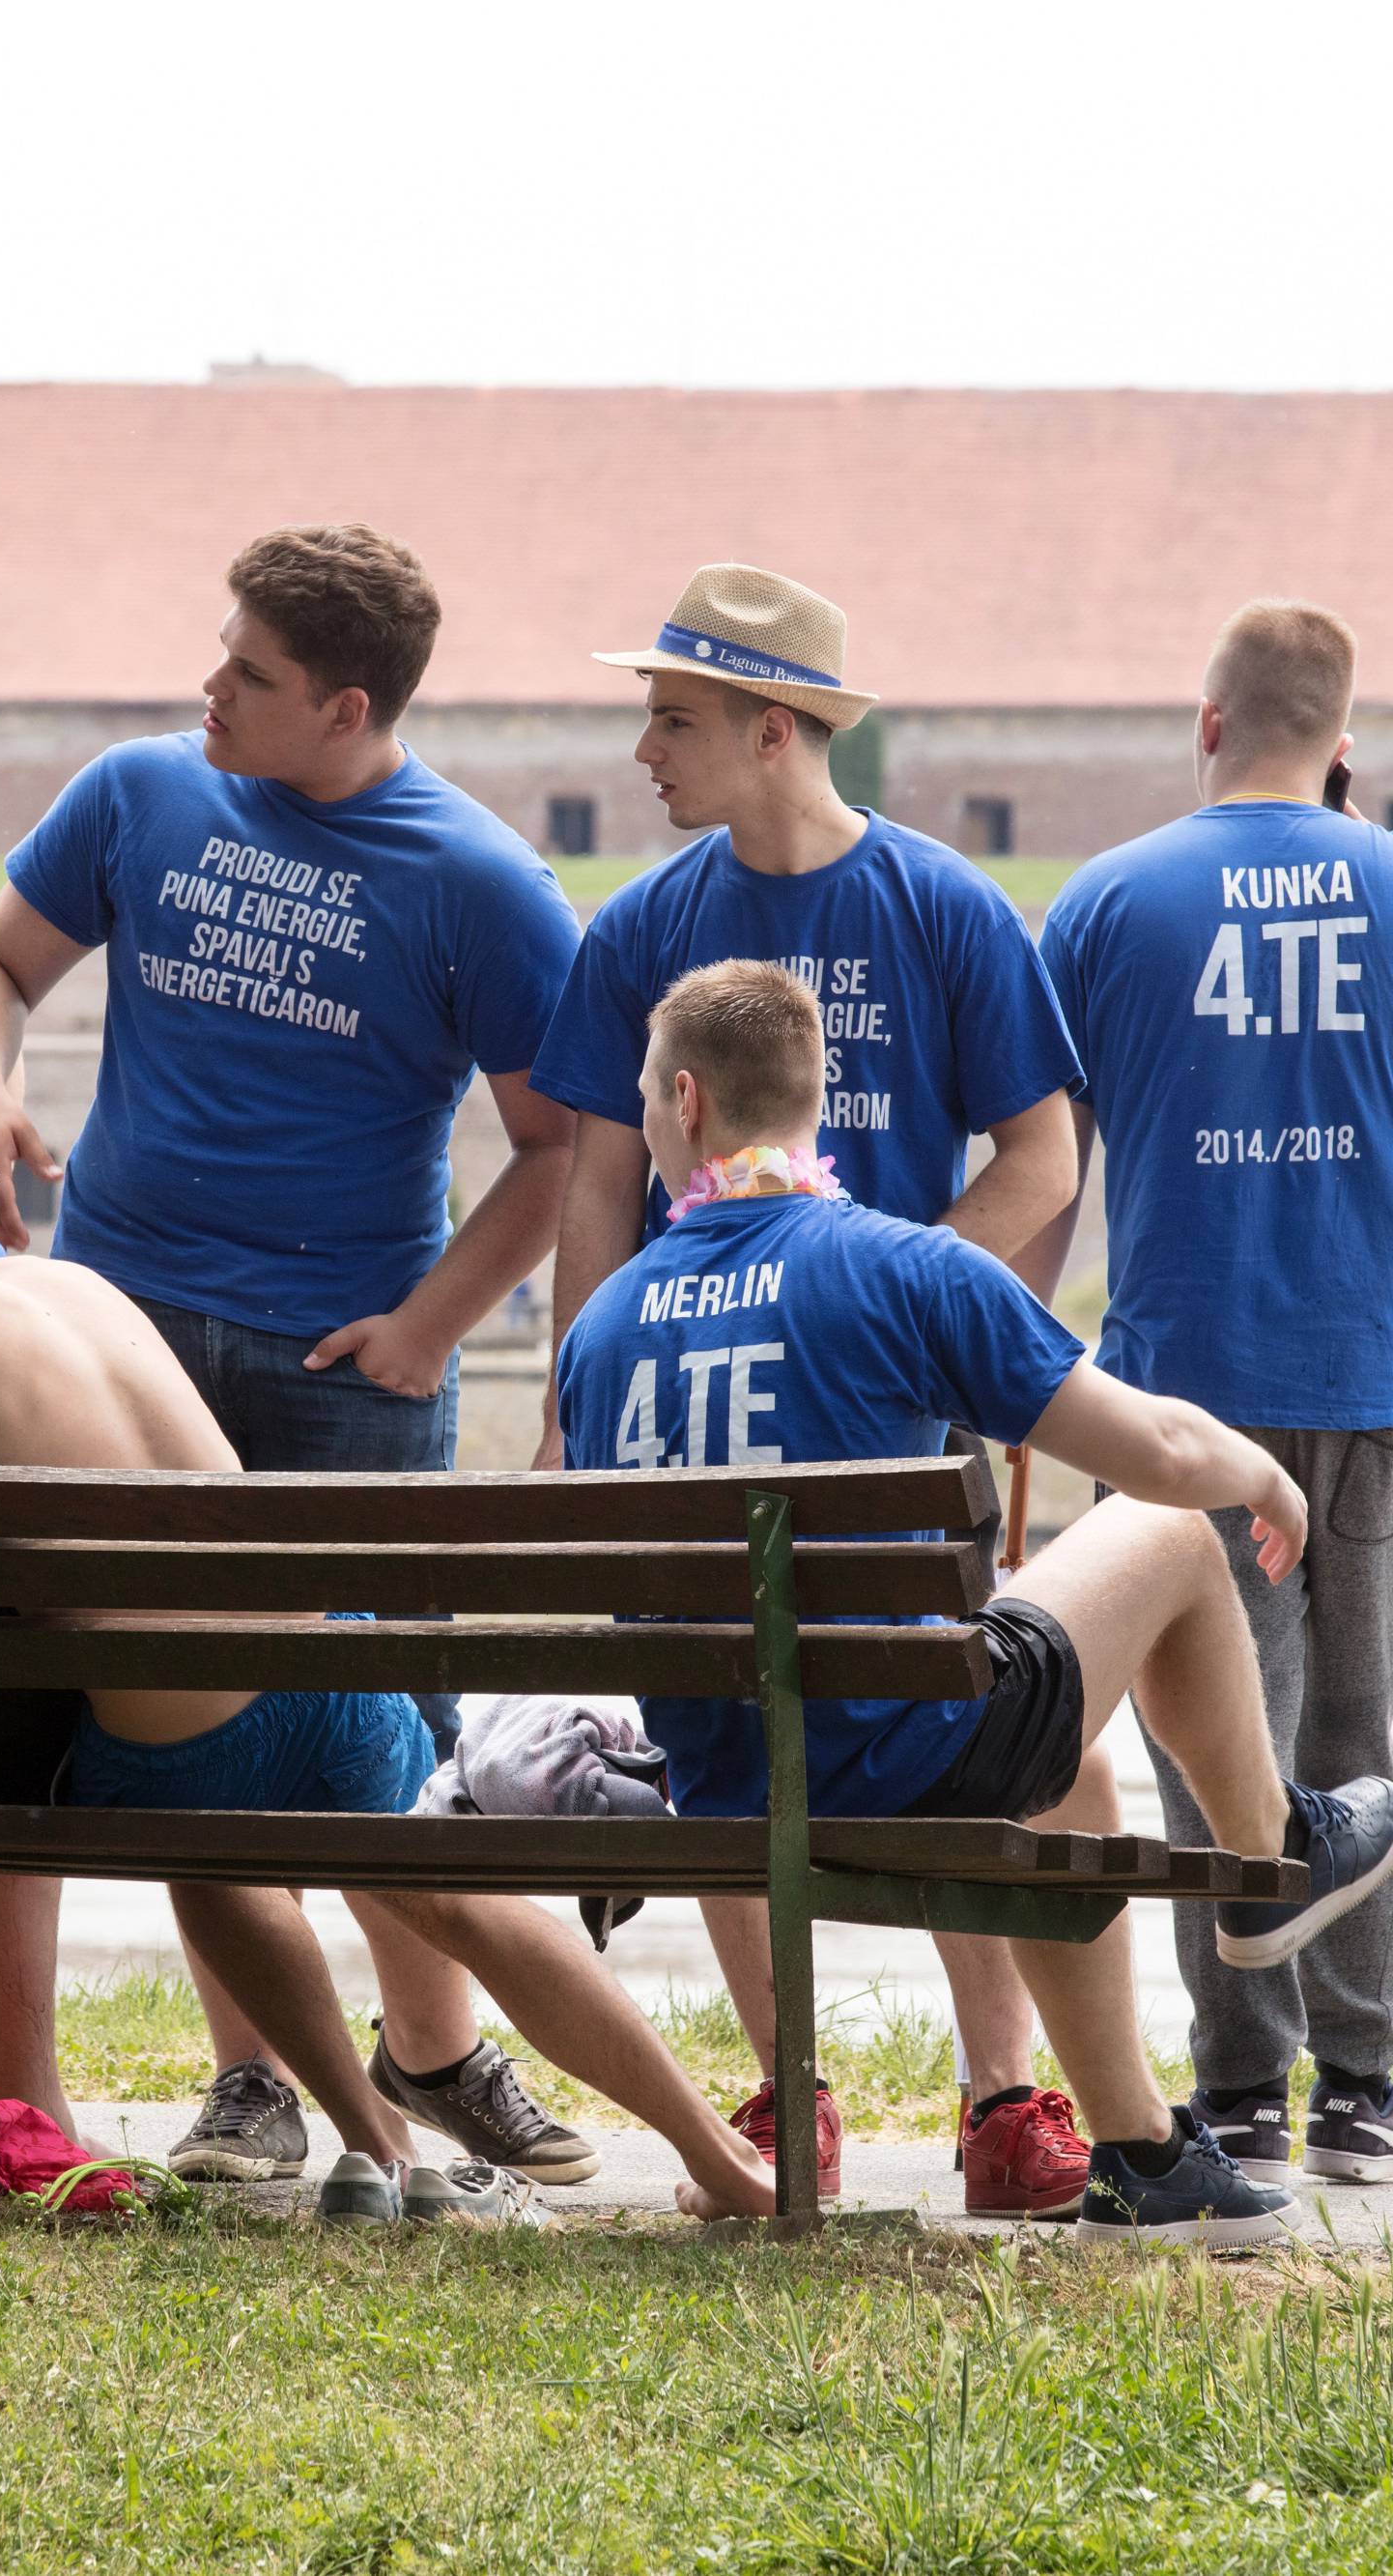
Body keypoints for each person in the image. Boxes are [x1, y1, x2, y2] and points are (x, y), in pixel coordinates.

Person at [0, 1089, 802, 2226]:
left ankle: (370, 2144)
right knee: (450, 1896)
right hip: (330, 1665)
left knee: (114, 1793)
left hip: (184, 1745)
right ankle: (718, 2155)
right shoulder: (76, 1283)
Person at [0, 521, 595, 2185]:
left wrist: (433, 1328)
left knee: (373, 1726)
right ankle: (253, 2086)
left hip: (341, 1365)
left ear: (349, 706)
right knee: (179, 1725)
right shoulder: (143, 793)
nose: (208, 686)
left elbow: (556, 1146)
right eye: (219, 652)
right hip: (121, 1334)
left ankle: (431, 2050)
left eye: (251, 673)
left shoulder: (481, 882)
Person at [556, 957, 1393, 2243]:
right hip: (900, 1759)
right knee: (1167, 1532)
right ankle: (1272, 1853)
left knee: (1078, 1781)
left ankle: (1144, 2152)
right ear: (808, 1103)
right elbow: (1158, 1454)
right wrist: (1265, 1472)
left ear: (683, 1100)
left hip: (725, 1780)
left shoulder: (603, 1325)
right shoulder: (903, 1267)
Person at [529, 562, 1088, 2214]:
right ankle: (790, 2089)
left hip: (891, 1411)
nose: (644, 744)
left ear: (776, 730)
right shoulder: (643, 924)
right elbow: (592, 1176)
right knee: (722, 1702)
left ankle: (1001, 2095)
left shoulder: (945, 908)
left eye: (676, 715)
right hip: (693, 1407)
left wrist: (907, 1309)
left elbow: (1044, 1155)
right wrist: (575, 1395)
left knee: (944, 1711)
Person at [1032, 598, 1393, 2189]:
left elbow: (1053, 1169)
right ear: (1343, 740)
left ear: (1206, 723)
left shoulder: (1104, 903)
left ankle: (1236, 2087)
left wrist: (1019, 1376)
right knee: (1368, 1727)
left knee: (1204, 1732)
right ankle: (1370, 2086)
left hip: (1177, 1395)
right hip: (1368, 1370)